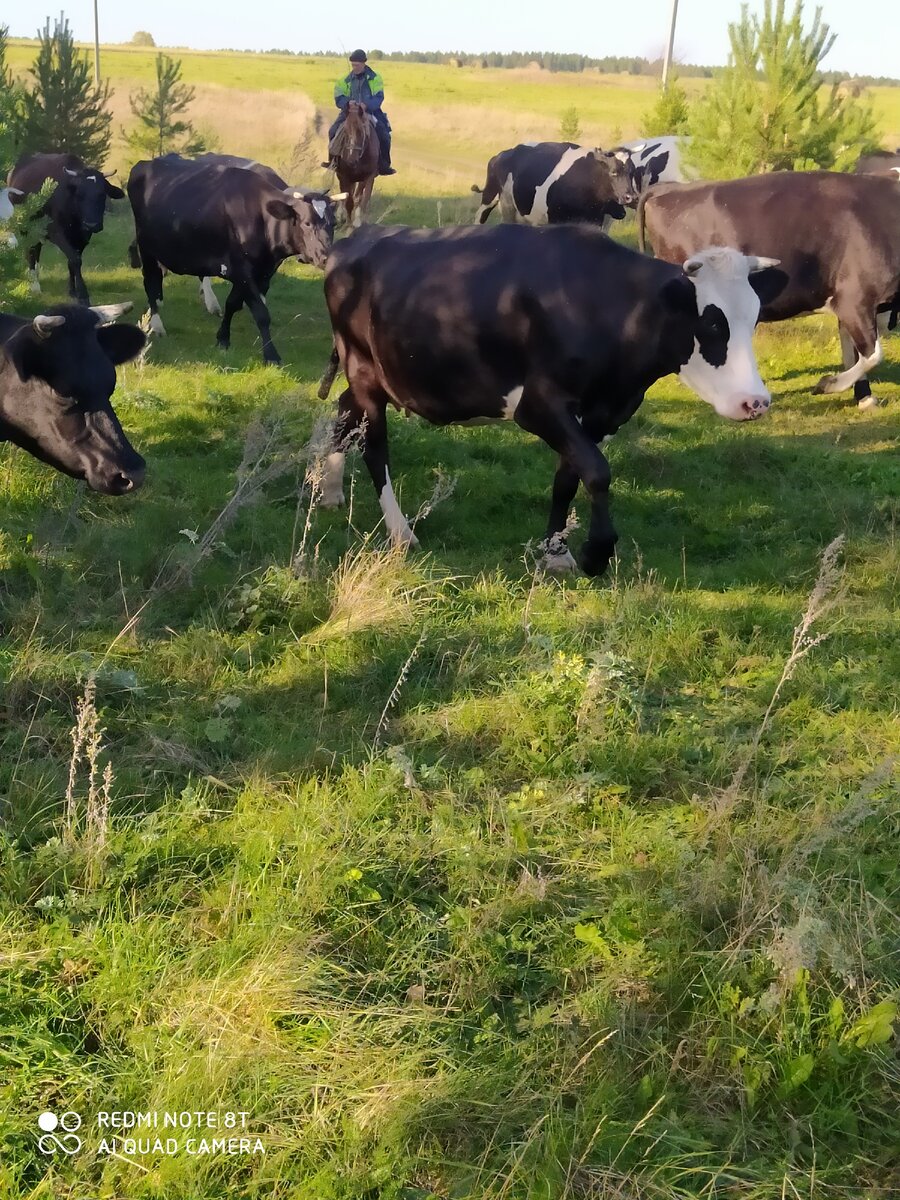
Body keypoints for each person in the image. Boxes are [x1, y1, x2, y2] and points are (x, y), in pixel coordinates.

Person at [325, 49, 396, 176]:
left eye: (357, 65)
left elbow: (379, 97)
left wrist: (366, 105)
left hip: (371, 112)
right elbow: (339, 97)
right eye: (352, 65)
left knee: (385, 135)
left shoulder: (375, 78)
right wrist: (347, 104)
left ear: (364, 63)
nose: (354, 68)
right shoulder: (344, 80)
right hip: (349, 113)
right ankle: (333, 162)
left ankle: (384, 165)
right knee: (332, 131)